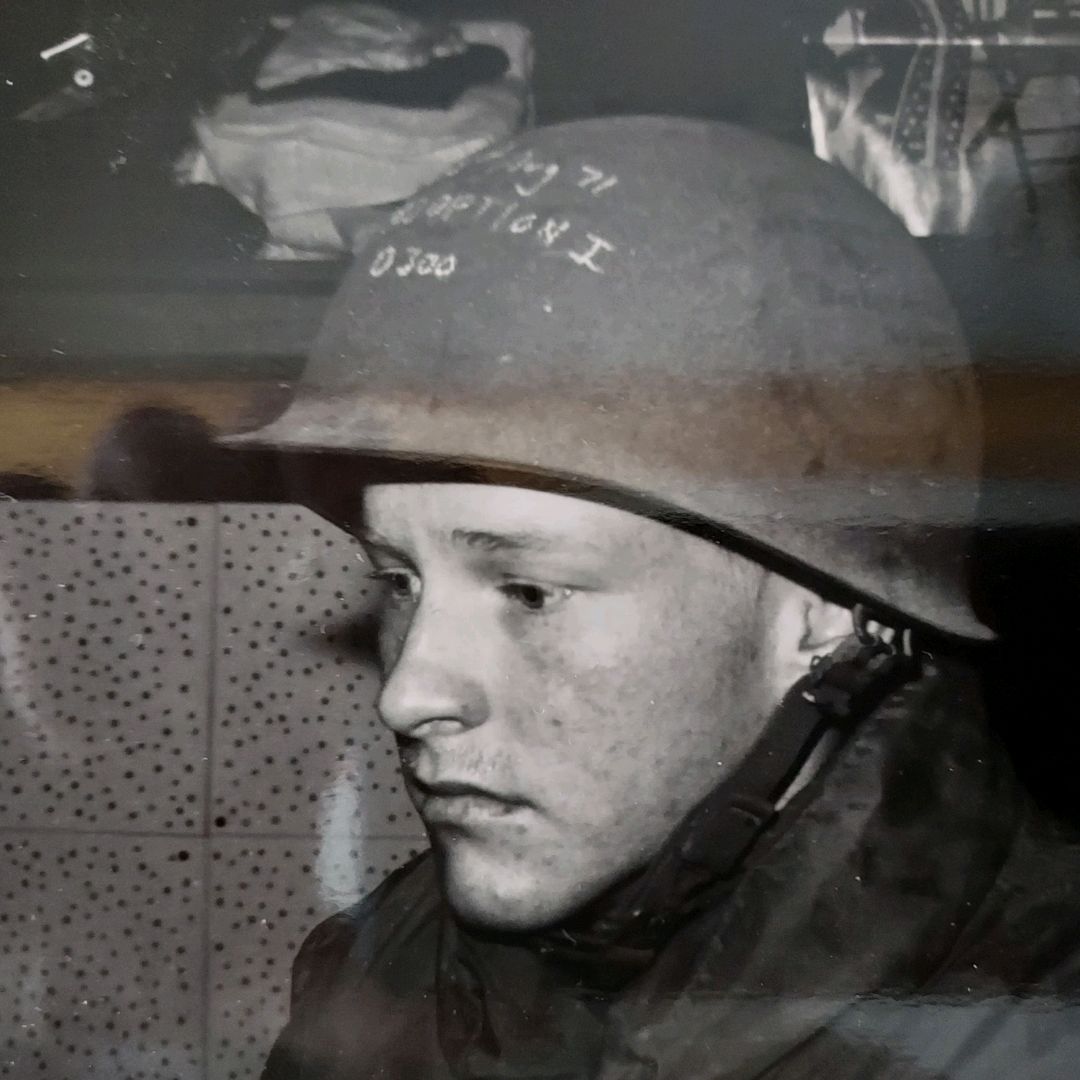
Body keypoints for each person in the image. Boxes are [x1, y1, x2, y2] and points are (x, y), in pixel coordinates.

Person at [224, 117, 1080, 1079]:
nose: (408, 692)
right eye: (399, 579)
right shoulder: (377, 976)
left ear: (822, 612)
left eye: (529, 591)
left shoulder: (1030, 1032)